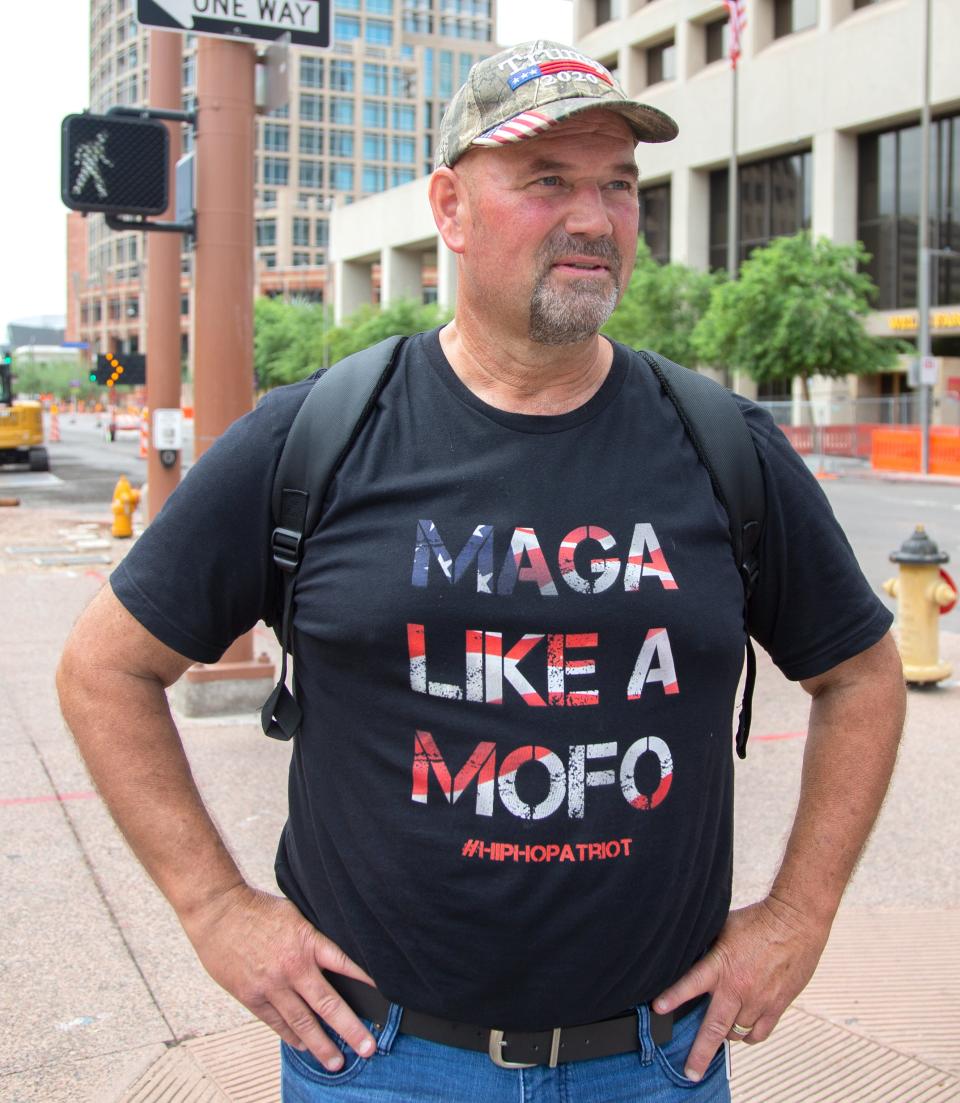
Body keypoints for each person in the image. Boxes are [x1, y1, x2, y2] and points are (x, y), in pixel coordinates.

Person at [57, 39, 905, 1103]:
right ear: (450, 207)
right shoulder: (316, 437)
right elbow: (103, 669)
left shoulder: (722, 444)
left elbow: (863, 674)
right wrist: (215, 906)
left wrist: (800, 914)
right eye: (547, 180)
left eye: (616, 185)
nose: (594, 217)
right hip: (380, 1060)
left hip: (654, 1062)